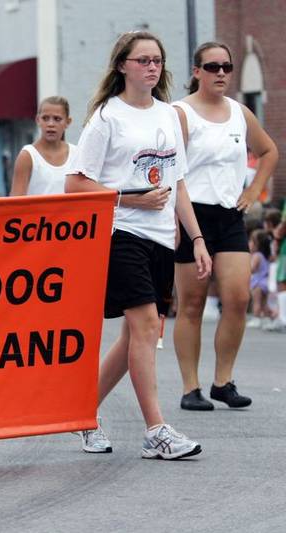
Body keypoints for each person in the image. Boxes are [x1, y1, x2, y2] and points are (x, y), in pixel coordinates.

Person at [66, 31, 212, 459]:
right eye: (143, 59)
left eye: (158, 60)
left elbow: (177, 181)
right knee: (147, 326)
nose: (152, 66)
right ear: (122, 66)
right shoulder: (107, 117)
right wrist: (127, 198)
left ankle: (80, 414)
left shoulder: (169, 115)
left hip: (162, 237)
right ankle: (156, 431)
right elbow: (75, 183)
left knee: (134, 335)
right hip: (119, 232)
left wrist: (198, 238)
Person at [171, 41, 278, 411]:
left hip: (229, 214)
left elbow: (269, 151)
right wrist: (175, 219)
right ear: (196, 71)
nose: (220, 74)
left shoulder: (240, 113)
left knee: (238, 298)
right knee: (192, 303)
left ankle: (223, 381)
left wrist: (254, 189)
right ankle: (190, 387)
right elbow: (172, 170)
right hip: (190, 214)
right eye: (212, 67)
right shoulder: (180, 114)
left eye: (227, 67)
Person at [11, 96, 77, 196]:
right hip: (35, 212)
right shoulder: (27, 156)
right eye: (45, 118)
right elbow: (15, 202)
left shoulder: (76, 154)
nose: (50, 124)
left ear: (68, 122)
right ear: (38, 120)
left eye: (57, 119)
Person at [247, 229, 275, 328]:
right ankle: (267, 318)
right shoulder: (267, 256)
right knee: (264, 303)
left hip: (257, 284)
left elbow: (252, 269)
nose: (249, 243)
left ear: (257, 244)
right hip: (265, 282)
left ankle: (256, 318)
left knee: (256, 302)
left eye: (251, 241)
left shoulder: (256, 256)